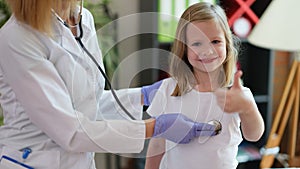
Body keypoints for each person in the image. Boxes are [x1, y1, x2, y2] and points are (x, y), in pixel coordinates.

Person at [0, 0, 218, 169]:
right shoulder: (17, 38)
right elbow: (71, 130)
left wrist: (142, 96)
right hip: (33, 160)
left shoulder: (82, 18)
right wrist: (156, 127)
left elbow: (87, 103)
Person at [144, 2, 265, 169]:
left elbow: (254, 135)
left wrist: (248, 108)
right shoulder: (167, 89)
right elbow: (157, 144)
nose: (207, 50)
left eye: (215, 41)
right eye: (197, 43)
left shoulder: (237, 95)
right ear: (184, 48)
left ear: (227, 44)